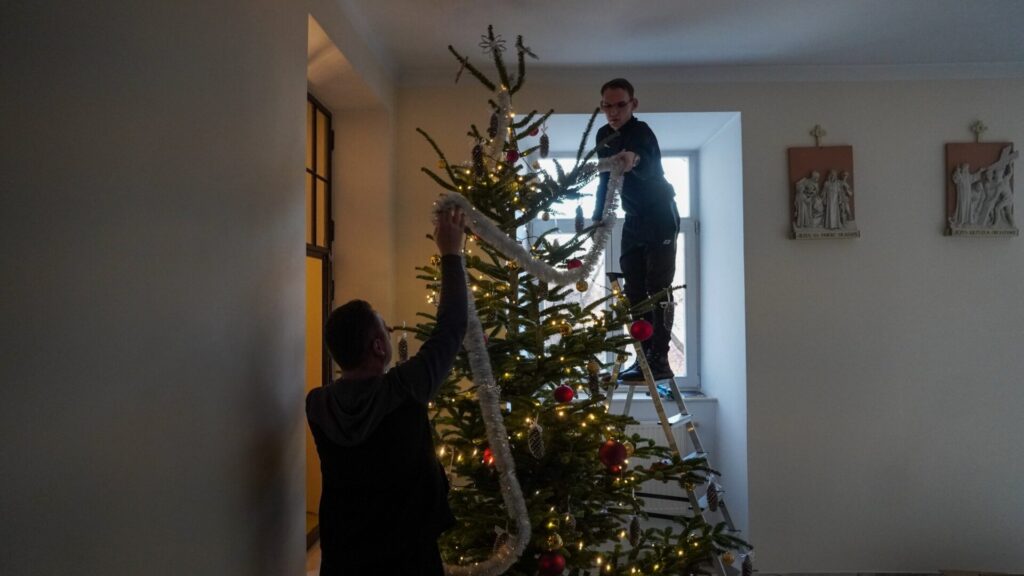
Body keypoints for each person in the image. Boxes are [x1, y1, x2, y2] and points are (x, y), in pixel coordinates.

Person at [306, 207, 467, 575]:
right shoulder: (405, 388)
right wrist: (451, 252)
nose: (390, 333)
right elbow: (452, 326)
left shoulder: (316, 405)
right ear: (378, 347)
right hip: (408, 555)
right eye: (385, 329)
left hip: (344, 553)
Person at [592, 78, 679, 381]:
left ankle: (660, 359)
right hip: (633, 219)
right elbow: (604, 180)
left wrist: (630, 159)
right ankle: (642, 357)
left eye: (620, 105)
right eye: (607, 105)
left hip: (660, 216)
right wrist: (597, 217)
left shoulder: (641, 133)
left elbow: (638, 157)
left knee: (658, 288)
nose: (613, 112)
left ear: (633, 104)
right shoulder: (603, 135)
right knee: (634, 290)